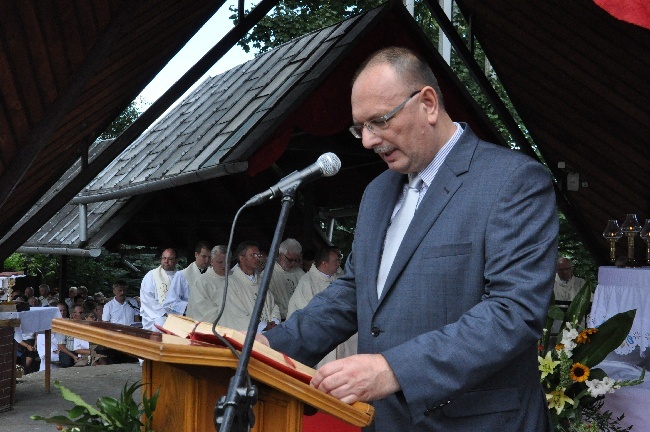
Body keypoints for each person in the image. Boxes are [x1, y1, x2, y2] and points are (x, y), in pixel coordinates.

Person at [261, 47, 558, 431]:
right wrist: (271, 346)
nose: (367, 140)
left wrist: (393, 370)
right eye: (359, 127)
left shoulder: (513, 181)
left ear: (429, 104)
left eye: (379, 121)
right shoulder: (376, 193)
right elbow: (354, 292)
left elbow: (512, 312)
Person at [287, 246, 357, 368]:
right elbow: (307, 312)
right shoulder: (307, 282)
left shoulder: (338, 279)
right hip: (319, 328)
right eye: (336, 261)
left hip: (337, 325)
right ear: (324, 263)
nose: (339, 264)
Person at [219, 241, 280, 333]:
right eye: (253, 255)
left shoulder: (261, 281)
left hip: (269, 333)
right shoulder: (230, 283)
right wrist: (263, 326)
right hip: (247, 336)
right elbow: (236, 314)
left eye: (258, 255)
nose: (257, 258)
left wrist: (274, 321)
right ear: (242, 258)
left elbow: (273, 305)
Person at [163, 241, 212, 316]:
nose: (207, 260)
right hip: (189, 319)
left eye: (210, 257)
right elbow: (169, 304)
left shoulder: (214, 274)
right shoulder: (182, 275)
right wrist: (189, 306)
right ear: (196, 254)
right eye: (204, 256)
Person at [264, 238, 305, 320]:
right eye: (290, 260)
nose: (293, 264)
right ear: (280, 256)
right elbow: (271, 304)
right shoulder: (267, 275)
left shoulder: (300, 273)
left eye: (296, 260)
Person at [186, 245, 228, 323]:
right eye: (220, 262)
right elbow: (201, 311)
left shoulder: (235, 280)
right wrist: (228, 313)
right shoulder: (201, 282)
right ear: (212, 262)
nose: (224, 265)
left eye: (227, 262)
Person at [140, 248, 178, 331]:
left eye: (170, 259)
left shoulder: (180, 277)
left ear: (176, 261)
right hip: (155, 317)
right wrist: (164, 313)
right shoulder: (151, 275)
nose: (166, 261)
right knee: (161, 324)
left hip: (176, 317)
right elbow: (147, 298)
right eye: (164, 258)